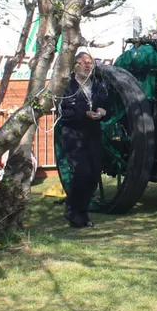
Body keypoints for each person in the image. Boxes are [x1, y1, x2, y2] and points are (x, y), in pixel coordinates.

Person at [58, 52, 109, 228]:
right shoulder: (67, 86)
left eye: (90, 63)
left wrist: (102, 111)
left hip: (93, 134)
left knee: (94, 175)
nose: (88, 66)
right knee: (81, 173)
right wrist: (83, 114)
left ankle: (82, 213)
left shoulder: (97, 86)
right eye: (84, 63)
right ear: (76, 65)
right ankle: (72, 211)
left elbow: (105, 103)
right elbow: (62, 113)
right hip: (73, 135)